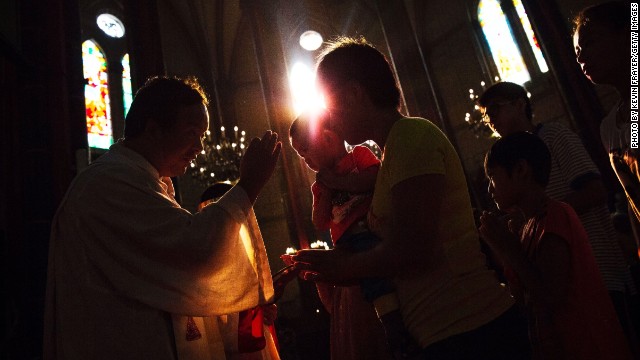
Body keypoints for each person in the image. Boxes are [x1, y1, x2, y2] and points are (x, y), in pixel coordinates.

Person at [293, 36, 531, 359]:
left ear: (353, 95)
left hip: (472, 327)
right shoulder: (392, 150)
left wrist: (343, 265)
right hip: (445, 331)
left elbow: (414, 249)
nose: (329, 120)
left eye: (329, 106)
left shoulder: (410, 136)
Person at [43, 76, 282, 360]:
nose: (200, 147)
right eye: (193, 132)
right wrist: (249, 185)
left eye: (203, 136)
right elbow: (193, 252)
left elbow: (180, 286)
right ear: (153, 129)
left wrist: (242, 311)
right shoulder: (109, 183)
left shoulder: (145, 184)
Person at [477, 81, 638, 346]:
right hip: (561, 286)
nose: (490, 118)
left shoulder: (554, 137)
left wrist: (547, 213)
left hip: (599, 274)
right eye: (486, 115)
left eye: (495, 108)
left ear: (520, 103)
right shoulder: (510, 170)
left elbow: (596, 190)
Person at [289, 109, 409, 359]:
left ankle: (392, 323)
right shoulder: (319, 185)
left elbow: (377, 178)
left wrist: (341, 182)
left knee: (378, 280)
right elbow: (320, 221)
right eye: (300, 155)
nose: (305, 160)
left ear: (330, 139)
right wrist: (327, 188)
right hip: (346, 245)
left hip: (371, 231)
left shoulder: (359, 156)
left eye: (306, 150)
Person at [573, 2, 637, 243]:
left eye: (589, 43)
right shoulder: (609, 127)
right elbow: (632, 202)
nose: (581, 57)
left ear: (625, 37)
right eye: (577, 52)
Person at [198, 182, 279, 360]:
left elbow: (256, 300)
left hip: (254, 342)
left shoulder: (249, 258)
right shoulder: (205, 261)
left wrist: (264, 311)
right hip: (223, 347)